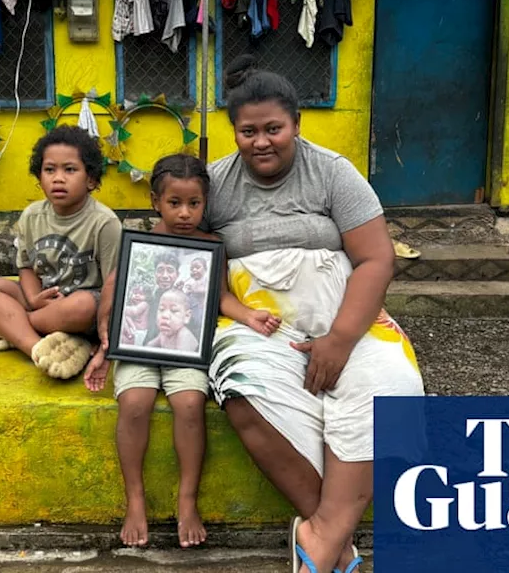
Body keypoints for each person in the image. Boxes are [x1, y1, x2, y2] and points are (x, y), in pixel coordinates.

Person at [205, 55, 425, 573]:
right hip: (255, 326)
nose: (262, 142)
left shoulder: (332, 172)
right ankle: (330, 531)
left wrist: (341, 339)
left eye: (274, 129)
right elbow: (183, 251)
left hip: (346, 321)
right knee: (242, 391)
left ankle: (321, 539)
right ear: (234, 133)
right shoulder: (214, 184)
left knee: (389, 384)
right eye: (248, 131)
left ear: (297, 125)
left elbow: (376, 258)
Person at [83, 153, 281, 550]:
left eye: (195, 204)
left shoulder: (211, 247)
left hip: (186, 350)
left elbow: (220, 296)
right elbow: (114, 292)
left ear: (206, 204)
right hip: (139, 345)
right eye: (175, 203)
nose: (186, 213)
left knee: (190, 405)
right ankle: (135, 499)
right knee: (134, 405)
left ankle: (186, 500)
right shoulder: (138, 246)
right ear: (155, 201)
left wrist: (249, 316)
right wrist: (104, 345)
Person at [0, 126, 122, 380]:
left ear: (91, 179)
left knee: (83, 305)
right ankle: (34, 347)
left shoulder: (104, 223)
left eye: (70, 170)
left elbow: (114, 286)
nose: (58, 178)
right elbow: (25, 266)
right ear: (39, 177)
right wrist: (35, 298)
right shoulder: (32, 215)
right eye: (50, 170)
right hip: (43, 298)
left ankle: (9, 326)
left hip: (80, 310)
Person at [145, 288, 200, 353]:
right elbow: (148, 346)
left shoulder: (183, 335)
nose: (165, 315)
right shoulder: (163, 335)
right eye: (161, 309)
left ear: (186, 316)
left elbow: (182, 360)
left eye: (174, 311)